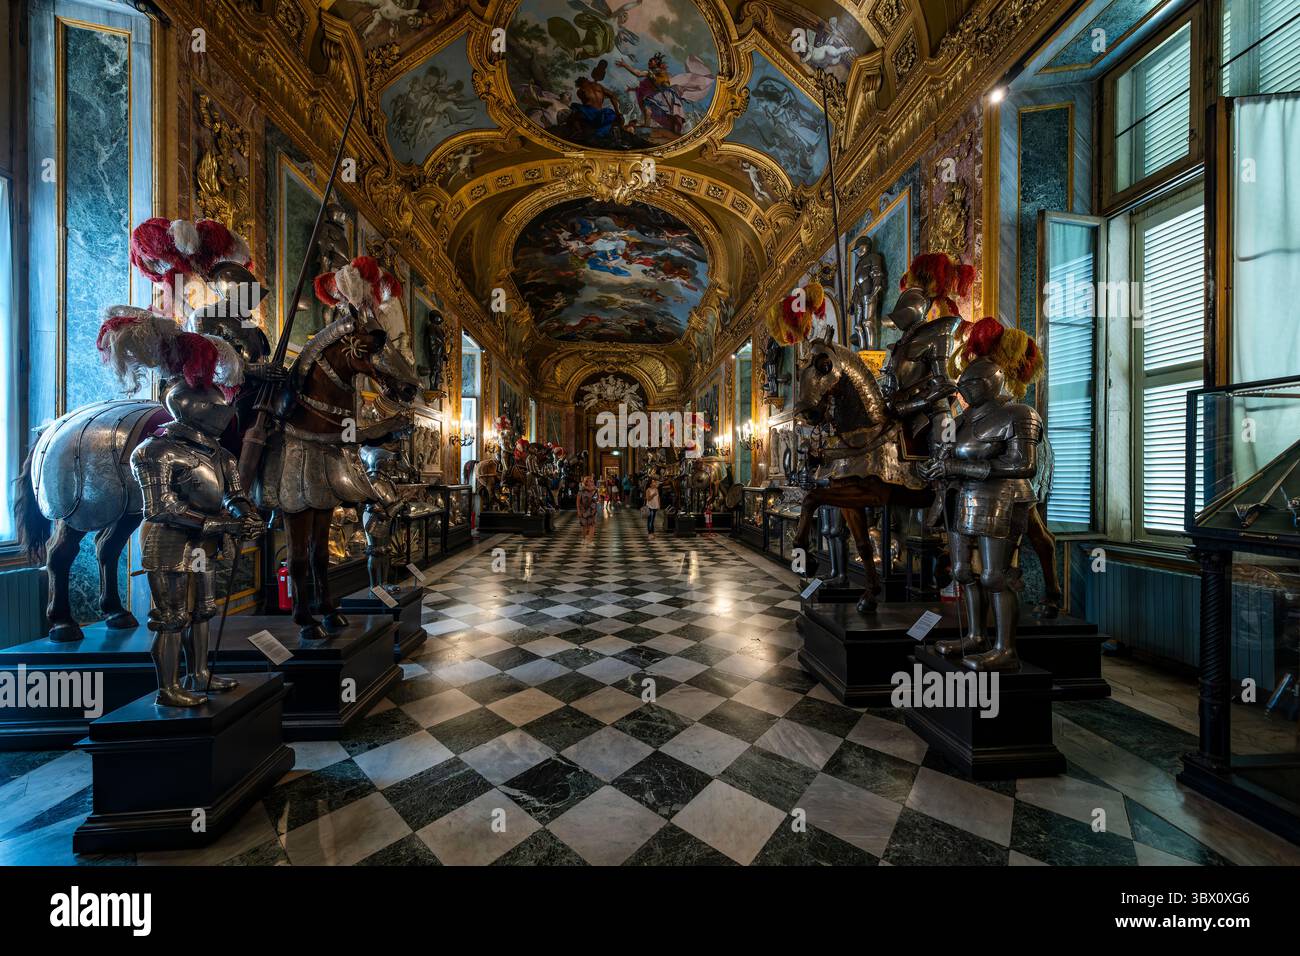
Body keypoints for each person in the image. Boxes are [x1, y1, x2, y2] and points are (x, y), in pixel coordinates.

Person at [578, 474, 598, 546]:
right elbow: (578, 502)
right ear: (586, 482)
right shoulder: (581, 491)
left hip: (592, 509)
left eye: (592, 481)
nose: (592, 482)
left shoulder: (595, 490)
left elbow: (597, 499)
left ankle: (590, 540)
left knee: (592, 525)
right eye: (590, 481)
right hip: (584, 509)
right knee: (584, 526)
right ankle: (584, 539)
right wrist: (579, 511)